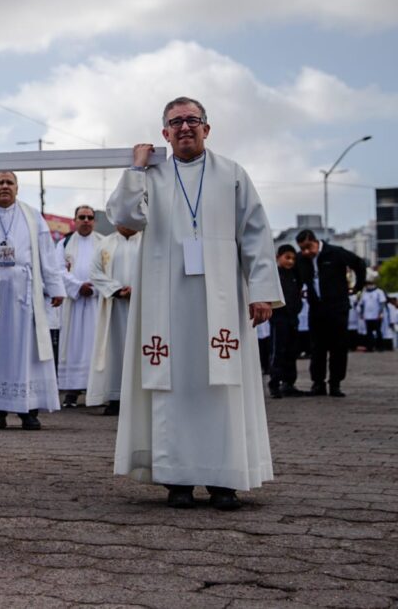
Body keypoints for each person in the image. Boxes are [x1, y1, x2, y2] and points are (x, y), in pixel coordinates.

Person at [108, 96, 282, 511]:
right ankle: (178, 479)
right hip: (164, 305)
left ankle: (225, 481)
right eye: (175, 122)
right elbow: (125, 221)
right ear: (164, 132)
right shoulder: (152, 175)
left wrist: (260, 290)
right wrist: (135, 168)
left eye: (192, 120)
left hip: (220, 300)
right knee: (174, 386)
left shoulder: (232, 174)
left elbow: (256, 234)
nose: (184, 127)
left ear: (207, 128)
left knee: (222, 387)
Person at [0, 171, 66, 430]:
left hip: (24, 295)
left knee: (28, 352)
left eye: (10, 183)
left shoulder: (32, 216)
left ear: (18, 188)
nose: (5, 187)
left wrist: (56, 287)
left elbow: (47, 254)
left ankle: (28, 411)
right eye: (1, 183)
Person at [295, 229, 367, 397]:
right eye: (302, 249)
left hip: (337, 307)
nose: (306, 252)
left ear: (314, 241)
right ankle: (318, 383)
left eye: (308, 247)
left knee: (338, 346)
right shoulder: (302, 259)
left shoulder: (335, 253)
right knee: (317, 347)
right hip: (316, 307)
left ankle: (335, 383)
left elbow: (359, 263)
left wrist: (358, 287)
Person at [85, 224, 141, 416]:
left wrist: (138, 289)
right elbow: (94, 272)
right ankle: (115, 397)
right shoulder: (105, 244)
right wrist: (116, 289)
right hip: (113, 306)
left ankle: (140, 397)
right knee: (114, 349)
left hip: (141, 305)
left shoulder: (147, 240)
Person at [56, 205, 105, 408]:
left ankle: (98, 390)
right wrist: (77, 287)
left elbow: (109, 270)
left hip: (96, 302)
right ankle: (72, 390)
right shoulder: (64, 243)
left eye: (90, 217)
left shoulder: (104, 242)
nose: (86, 220)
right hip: (73, 304)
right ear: (74, 220)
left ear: (94, 221)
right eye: (82, 217)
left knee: (97, 345)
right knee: (73, 345)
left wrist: (93, 288)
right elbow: (57, 270)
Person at [268, 244, 304, 399]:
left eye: (293, 258)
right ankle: (274, 383)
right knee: (278, 351)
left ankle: (289, 383)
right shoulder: (274, 275)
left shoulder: (294, 275)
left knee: (292, 351)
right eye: (287, 257)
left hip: (292, 318)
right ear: (278, 257)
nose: (290, 261)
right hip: (279, 317)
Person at [358, 280, 389, 352]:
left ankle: (380, 347)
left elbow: (382, 303)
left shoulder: (379, 292)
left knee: (378, 332)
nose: (369, 285)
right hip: (367, 316)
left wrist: (380, 313)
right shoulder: (364, 293)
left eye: (370, 284)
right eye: (367, 284)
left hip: (376, 316)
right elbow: (362, 304)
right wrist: (362, 314)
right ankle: (370, 347)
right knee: (369, 333)